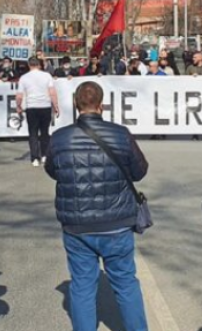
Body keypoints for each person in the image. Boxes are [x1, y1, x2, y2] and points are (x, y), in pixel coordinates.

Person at [44, 81, 149, 331]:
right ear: (101, 105)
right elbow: (140, 170)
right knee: (125, 283)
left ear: (76, 105)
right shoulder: (121, 134)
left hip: (77, 223)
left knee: (81, 286)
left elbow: (52, 170)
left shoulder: (59, 138)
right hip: (117, 222)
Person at [16, 58, 59, 167]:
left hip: (32, 107)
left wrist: (18, 106)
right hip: (45, 106)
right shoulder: (47, 76)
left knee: (33, 133)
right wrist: (56, 106)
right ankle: (44, 155)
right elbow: (52, 92)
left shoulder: (24, 78)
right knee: (45, 132)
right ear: (39, 65)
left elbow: (19, 95)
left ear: (29, 65)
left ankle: (35, 158)